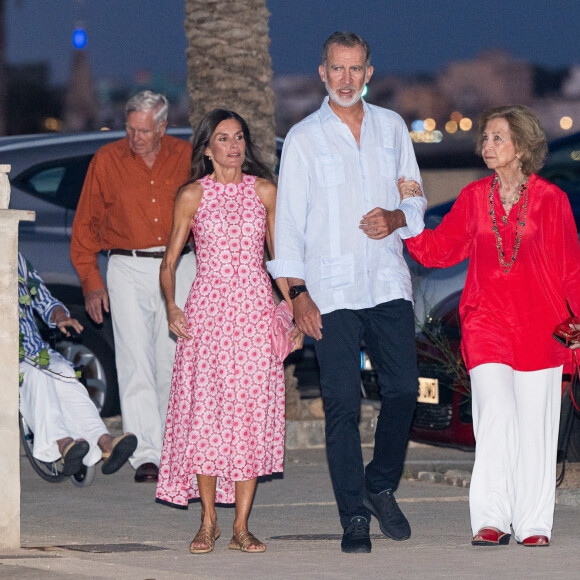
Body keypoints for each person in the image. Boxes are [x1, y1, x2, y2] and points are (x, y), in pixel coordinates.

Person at [267, 31, 426, 553]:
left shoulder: (392, 127)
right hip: (330, 292)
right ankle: (353, 515)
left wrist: (397, 217)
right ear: (322, 72)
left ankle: (379, 485)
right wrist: (298, 296)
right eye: (338, 69)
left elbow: (416, 199)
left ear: (369, 73)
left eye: (356, 69)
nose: (346, 79)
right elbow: (287, 225)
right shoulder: (305, 137)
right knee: (341, 406)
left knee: (403, 390)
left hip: (385, 282)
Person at [400, 104, 580, 547]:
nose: (486, 146)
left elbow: (570, 269)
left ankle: (534, 524)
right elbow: (438, 251)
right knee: (494, 417)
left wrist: (576, 323)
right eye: (485, 138)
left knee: (535, 426)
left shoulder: (552, 200)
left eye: (497, 138)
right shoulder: (473, 197)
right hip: (487, 325)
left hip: (542, 326)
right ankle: (491, 519)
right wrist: (407, 217)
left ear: (521, 145)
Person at [155, 109, 302, 554]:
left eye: (239, 137)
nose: (234, 146)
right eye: (223, 138)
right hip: (209, 312)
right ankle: (206, 522)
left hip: (255, 312)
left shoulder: (265, 192)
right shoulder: (192, 195)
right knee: (207, 416)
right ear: (207, 148)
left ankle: (240, 525)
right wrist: (171, 306)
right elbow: (169, 263)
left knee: (250, 416)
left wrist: (293, 314)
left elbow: (281, 261)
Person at [71, 90, 196, 483]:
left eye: (144, 130)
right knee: (133, 359)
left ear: (162, 126)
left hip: (178, 264)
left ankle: (176, 450)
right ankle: (146, 454)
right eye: (130, 129)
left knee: (172, 359)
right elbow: (85, 227)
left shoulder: (186, 156)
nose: (136, 138)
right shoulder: (107, 161)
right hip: (127, 264)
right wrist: (91, 282)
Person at [18, 252, 137, 476]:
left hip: (34, 352)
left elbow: (45, 300)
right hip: (9, 359)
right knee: (36, 375)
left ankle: (104, 442)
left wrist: (60, 316)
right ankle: (62, 443)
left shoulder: (17, 260)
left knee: (63, 371)